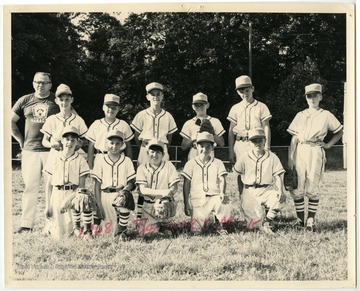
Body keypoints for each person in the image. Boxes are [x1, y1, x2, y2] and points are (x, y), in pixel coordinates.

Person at [287, 83, 343, 232]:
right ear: (306, 98)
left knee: (312, 184)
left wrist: (328, 145)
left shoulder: (326, 114)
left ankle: (310, 220)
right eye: (309, 95)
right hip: (301, 149)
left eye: (315, 95)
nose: (312, 98)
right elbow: (294, 139)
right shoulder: (300, 115)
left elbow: (339, 131)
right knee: (297, 185)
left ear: (320, 97)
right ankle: (300, 221)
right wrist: (290, 158)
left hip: (316, 150)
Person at [11, 72, 59, 233]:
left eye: (44, 82)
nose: (41, 85)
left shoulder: (57, 100)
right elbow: (9, 120)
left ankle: (50, 225)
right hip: (30, 150)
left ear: (50, 84)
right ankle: (26, 225)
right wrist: (20, 141)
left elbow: (71, 117)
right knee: (30, 188)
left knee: (51, 188)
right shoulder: (25, 100)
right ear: (33, 83)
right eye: (38, 82)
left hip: (50, 151)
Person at [130, 82, 178, 221]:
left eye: (158, 94)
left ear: (162, 96)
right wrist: (144, 147)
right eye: (152, 94)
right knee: (143, 182)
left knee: (164, 180)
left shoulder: (167, 115)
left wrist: (164, 149)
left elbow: (170, 135)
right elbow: (136, 134)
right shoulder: (141, 114)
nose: (155, 97)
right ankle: (141, 216)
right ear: (147, 97)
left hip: (161, 149)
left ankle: (165, 215)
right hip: (146, 149)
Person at [41, 84, 88, 213]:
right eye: (61, 100)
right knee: (52, 184)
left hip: (73, 156)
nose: (64, 102)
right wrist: (52, 145)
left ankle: (74, 217)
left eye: (67, 99)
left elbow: (86, 140)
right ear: (56, 101)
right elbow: (44, 141)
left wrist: (77, 145)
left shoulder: (78, 119)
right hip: (55, 155)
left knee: (72, 185)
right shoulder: (52, 119)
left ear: (72, 100)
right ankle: (50, 212)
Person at [227, 75, 272, 208]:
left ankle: (261, 203)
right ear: (237, 92)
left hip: (257, 144)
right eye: (241, 91)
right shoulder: (235, 108)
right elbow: (231, 130)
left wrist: (267, 145)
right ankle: (245, 203)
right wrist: (230, 150)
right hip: (240, 144)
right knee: (242, 174)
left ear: (252, 89)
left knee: (259, 172)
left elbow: (266, 126)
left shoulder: (261, 106)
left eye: (247, 90)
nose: (244, 93)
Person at [233, 128, 286, 233]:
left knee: (279, 200)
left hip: (266, 189)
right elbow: (238, 175)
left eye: (260, 140)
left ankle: (267, 222)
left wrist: (281, 190)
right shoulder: (244, 157)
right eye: (254, 140)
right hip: (250, 191)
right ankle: (259, 222)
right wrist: (241, 194)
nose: (257, 143)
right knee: (253, 227)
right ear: (249, 142)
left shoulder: (272, 157)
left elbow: (277, 176)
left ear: (265, 140)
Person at [43, 126, 90, 240]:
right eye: (67, 139)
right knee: (57, 233)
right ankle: (49, 228)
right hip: (57, 193)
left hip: (73, 194)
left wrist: (69, 201)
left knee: (71, 232)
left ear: (78, 142)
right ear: (62, 141)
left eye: (73, 139)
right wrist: (47, 205)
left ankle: (78, 230)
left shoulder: (81, 160)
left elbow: (81, 187)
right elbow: (49, 185)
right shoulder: (54, 158)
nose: (69, 142)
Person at [182, 132, 231, 234]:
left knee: (224, 203)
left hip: (214, 197)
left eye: (208, 146)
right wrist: (186, 203)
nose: (204, 149)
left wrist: (222, 193)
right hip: (198, 200)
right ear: (196, 146)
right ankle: (209, 220)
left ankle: (220, 225)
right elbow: (186, 184)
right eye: (201, 146)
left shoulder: (218, 162)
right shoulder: (190, 164)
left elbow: (222, 179)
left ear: (213, 147)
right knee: (196, 232)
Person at [91, 129, 136, 240]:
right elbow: (97, 185)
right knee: (102, 233)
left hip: (120, 195)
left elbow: (132, 182)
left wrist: (125, 190)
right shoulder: (100, 160)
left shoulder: (127, 161)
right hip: (105, 195)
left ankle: (122, 232)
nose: (114, 146)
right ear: (107, 143)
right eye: (111, 143)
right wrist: (98, 204)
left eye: (117, 144)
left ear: (122, 145)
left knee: (124, 202)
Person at [135, 139, 180, 236]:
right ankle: (158, 227)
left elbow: (175, 186)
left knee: (168, 234)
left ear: (163, 154)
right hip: (148, 207)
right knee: (147, 235)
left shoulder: (169, 166)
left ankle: (166, 225)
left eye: (158, 152)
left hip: (164, 205)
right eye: (152, 151)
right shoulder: (141, 168)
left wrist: (169, 193)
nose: (155, 155)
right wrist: (163, 192)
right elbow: (143, 190)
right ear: (147, 153)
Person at [85, 93, 133, 170]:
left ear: (118, 109)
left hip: (119, 158)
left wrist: (129, 166)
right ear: (103, 107)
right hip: (101, 156)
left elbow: (128, 146)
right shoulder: (96, 124)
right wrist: (90, 166)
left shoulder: (123, 124)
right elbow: (91, 146)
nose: (111, 110)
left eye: (114, 108)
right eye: (108, 107)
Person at [180, 92, 225, 160]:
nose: (199, 107)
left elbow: (222, 144)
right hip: (194, 152)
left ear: (207, 105)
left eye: (202, 104)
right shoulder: (188, 123)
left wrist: (213, 134)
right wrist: (193, 137)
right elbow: (183, 146)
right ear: (193, 107)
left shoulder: (215, 121)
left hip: (209, 152)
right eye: (197, 105)